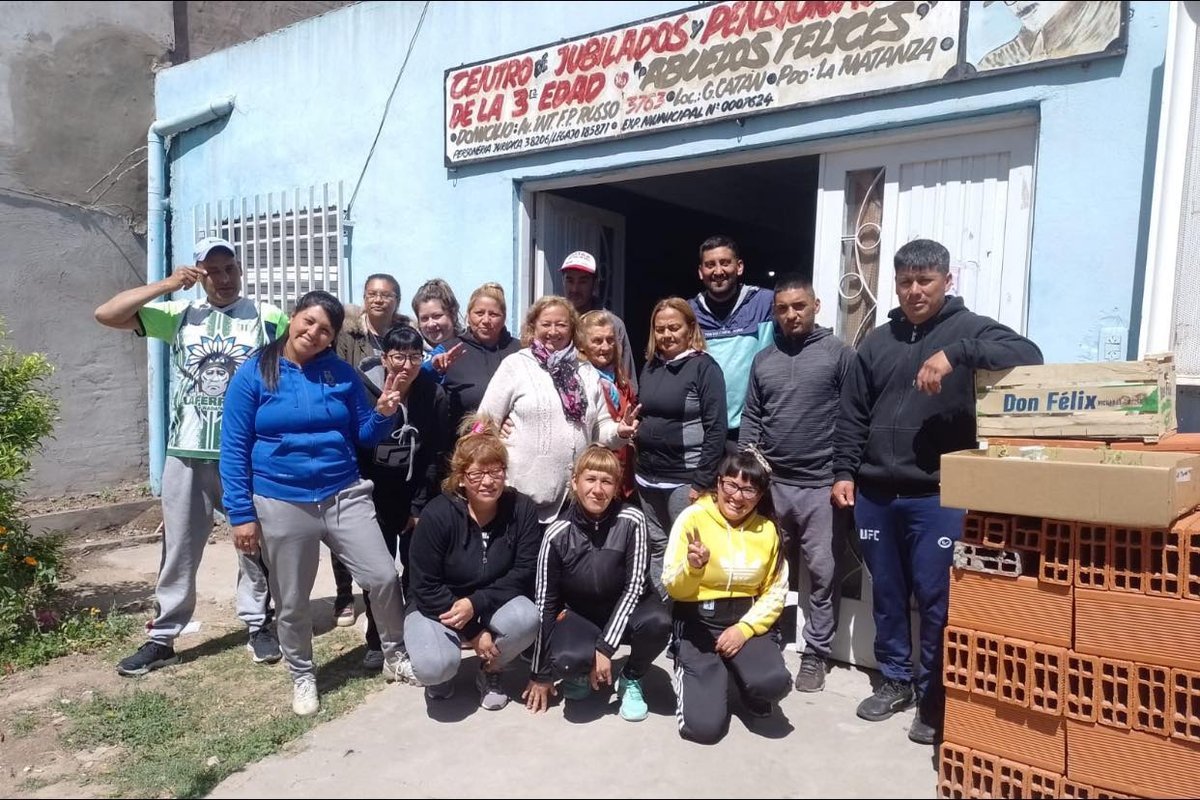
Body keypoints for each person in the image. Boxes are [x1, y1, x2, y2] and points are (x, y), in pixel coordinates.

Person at [832, 238, 1043, 745]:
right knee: (886, 593)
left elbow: (1030, 355)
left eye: (924, 281)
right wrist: (844, 471)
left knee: (937, 599)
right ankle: (896, 681)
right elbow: (853, 413)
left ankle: (934, 697)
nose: (914, 291)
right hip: (877, 493)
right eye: (905, 282)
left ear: (947, 282)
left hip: (938, 494)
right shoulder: (877, 342)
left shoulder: (969, 330)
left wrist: (958, 353)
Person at [94, 236, 283, 676]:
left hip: (244, 455)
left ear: (240, 269)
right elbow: (107, 314)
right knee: (179, 548)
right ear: (198, 273)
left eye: (229, 268)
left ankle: (258, 624)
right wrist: (167, 284)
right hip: (186, 452)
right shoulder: (179, 315)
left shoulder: (268, 318)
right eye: (211, 270)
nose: (222, 278)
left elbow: (306, 351)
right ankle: (163, 635)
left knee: (253, 545)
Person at [219, 291, 412, 716]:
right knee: (292, 599)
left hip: (342, 492)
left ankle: (395, 654)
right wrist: (241, 514)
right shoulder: (255, 372)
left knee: (382, 577)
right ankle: (302, 673)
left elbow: (363, 434)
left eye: (324, 329)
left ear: (332, 338)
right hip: (281, 499)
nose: (313, 332)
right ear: (293, 318)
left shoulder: (341, 375)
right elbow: (233, 449)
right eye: (308, 322)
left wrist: (381, 412)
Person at [741, 274, 854, 694]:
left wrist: (844, 473)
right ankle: (768, 637)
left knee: (823, 573)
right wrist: (750, 467)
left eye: (799, 306)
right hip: (773, 485)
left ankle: (816, 653)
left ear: (816, 305)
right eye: (783, 309)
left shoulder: (838, 354)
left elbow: (851, 417)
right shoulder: (764, 359)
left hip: (821, 486)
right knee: (770, 569)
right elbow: (752, 415)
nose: (791, 315)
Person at [523, 446, 669, 721]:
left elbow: (635, 587)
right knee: (566, 663)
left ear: (616, 488)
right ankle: (580, 670)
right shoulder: (556, 533)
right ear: (575, 482)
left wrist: (605, 647)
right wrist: (539, 673)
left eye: (607, 481)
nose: (598, 489)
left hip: (628, 609)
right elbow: (545, 602)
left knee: (659, 623)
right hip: (582, 612)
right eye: (590, 479)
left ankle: (630, 678)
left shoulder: (632, 519)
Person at [404, 418, 542, 710]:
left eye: (496, 471)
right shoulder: (438, 514)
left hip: (490, 602)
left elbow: (524, 572)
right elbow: (423, 585)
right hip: (436, 607)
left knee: (527, 617)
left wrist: (476, 604)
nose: (488, 481)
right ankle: (442, 675)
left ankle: (490, 671)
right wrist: (474, 632)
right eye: (478, 474)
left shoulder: (522, 509)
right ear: (461, 477)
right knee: (435, 666)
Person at [662, 449, 791, 744]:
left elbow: (775, 591)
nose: (737, 496)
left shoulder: (768, 529)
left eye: (748, 489)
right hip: (698, 623)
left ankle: (744, 681)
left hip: (745, 621)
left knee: (772, 682)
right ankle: (706, 671)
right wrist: (693, 568)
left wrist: (744, 630)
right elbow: (672, 587)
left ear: (759, 495)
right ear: (718, 484)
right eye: (730, 484)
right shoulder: (692, 518)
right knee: (703, 729)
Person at [477, 296, 637, 524]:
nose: (553, 331)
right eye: (546, 324)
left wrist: (620, 431)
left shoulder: (585, 371)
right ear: (533, 327)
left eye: (561, 324)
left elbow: (599, 428)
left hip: (573, 500)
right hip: (521, 499)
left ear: (572, 328)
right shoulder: (516, 365)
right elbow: (483, 423)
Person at [354, 325, 450, 673]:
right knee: (378, 573)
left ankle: (411, 633)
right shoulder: (363, 391)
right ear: (384, 358)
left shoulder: (433, 394)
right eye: (398, 356)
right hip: (373, 496)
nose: (406, 365)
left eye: (414, 357)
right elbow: (359, 446)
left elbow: (437, 454)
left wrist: (421, 506)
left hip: (415, 498)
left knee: (415, 569)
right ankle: (376, 639)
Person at [331, 273, 413, 626]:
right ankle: (343, 593)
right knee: (346, 521)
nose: (378, 300)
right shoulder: (348, 334)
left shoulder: (404, 334)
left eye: (386, 295)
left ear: (396, 299)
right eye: (372, 294)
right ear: (364, 297)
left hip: (392, 435)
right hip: (356, 424)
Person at [636, 297, 727, 599]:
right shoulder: (650, 366)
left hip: (684, 480)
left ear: (690, 329)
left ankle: (689, 622)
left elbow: (716, 428)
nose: (666, 335)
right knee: (659, 545)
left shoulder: (704, 368)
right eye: (660, 329)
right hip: (647, 478)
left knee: (690, 549)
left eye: (674, 327)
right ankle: (666, 615)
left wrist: (701, 480)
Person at [688, 235, 774, 444]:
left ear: (739, 266)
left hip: (752, 428)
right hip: (701, 428)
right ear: (701, 272)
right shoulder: (688, 312)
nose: (718, 271)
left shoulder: (766, 303)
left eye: (725, 263)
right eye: (710, 265)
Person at [441, 283, 520, 434]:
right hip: (463, 447)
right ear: (469, 316)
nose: (486, 320)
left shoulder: (520, 352)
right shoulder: (450, 351)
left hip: (510, 446)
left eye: (493, 314)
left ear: (504, 317)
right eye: (479, 313)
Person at [578, 310, 638, 501]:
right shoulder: (577, 381)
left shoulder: (621, 379)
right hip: (595, 477)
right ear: (582, 344)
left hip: (622, 473)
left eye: (610, 340)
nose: (605, 347)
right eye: (597, 341)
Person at [560, 251, 637, 393]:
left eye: (583, 281)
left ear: (595, 284)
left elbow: (627, 379)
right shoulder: (555, 324)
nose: (575, 288)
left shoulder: (613, 324)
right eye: (570, 280)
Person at [411, 278, 466, 380]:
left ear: (453, 314)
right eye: (424, 318)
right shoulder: (411, 354)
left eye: (437, 316)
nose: (431, 324)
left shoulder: (469, 347)